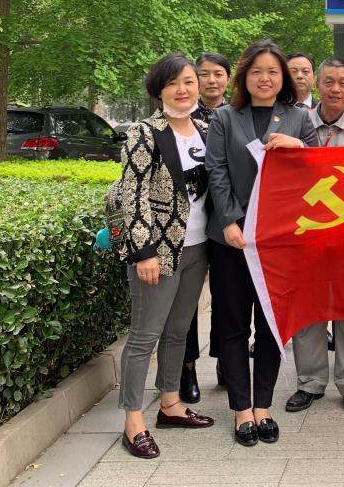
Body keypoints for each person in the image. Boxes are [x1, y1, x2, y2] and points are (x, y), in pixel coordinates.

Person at [205, 40, 318, 447]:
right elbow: (216, 171)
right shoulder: (224, 117)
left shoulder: (299, 118)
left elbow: (318, 172)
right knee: (234, 324)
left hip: (279, 241)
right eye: (257, 72)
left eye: (272, 72)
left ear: (283, 78)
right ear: (244, 77)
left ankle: (264, 405)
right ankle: (241, 409)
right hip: (232, 240)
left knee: (271, 325)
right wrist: (230, 222)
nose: (265, 79)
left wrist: (300, 147)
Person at [116, 54, 215, 459]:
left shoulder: (207, 130)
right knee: (144, 337)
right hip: (158, 251)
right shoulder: (144, 133)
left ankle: (170, 404)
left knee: (178, 331)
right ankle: (132, 422)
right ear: (159, 90)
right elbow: (132, 194)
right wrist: (144, 251)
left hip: (198, 248)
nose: (182, 89)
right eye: (173, 83)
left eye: (189, 81)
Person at [285, 58, 344, 418]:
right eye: (329, 82)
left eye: (342, 83)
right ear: (317, 85)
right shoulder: (297, 123)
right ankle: (309, 381)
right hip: (306, 233)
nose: (335, 89)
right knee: (308, 308)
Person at [180, 52, 231, 404]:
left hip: (227, 220)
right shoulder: (181, 117)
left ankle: (226, 359)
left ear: (228, 77)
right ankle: (187, 368)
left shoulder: (237, 114)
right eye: (204, 74)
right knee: (187, 302)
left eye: (218, 74)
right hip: (192, 222)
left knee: (227, 297)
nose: (211, 80)